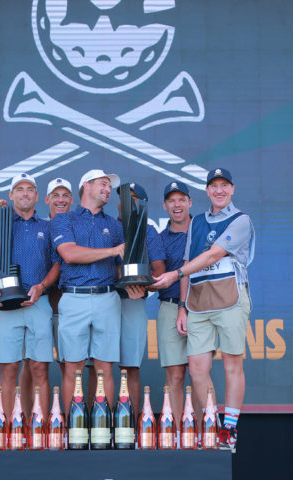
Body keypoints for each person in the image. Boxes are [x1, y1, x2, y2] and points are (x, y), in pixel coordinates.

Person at [152, 168, 255, 450]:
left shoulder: (241, 219)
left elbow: (212, 255)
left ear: (232, 189)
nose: (219, 191)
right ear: (207, 191)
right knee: (197, 369)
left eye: (224, 185)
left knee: (233, 363)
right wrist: (183, 307)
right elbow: (189, 269)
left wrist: (174, 274)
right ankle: (213, 425)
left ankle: (230, 429)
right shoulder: (196, 222)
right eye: (213, 186)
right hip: (197, 303)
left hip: (230, 299)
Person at [0, 177, 74, 417]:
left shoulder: (48, 227)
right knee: (8, 369)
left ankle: (40, 429)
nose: (25, 194)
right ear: (11, 194)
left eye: (30, 190)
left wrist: (41, 286)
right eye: (19, 190)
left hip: (41, 302)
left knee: (39, 367)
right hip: (7, 307)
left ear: (38, 197)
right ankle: (8, 432)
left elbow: (57, 264)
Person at [51, 169, 124, 410]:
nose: (107, 189)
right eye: (103, 184)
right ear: (86, 186)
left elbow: (124, 268)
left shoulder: (114, 225)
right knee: (73, 367)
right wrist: (112, 251)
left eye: (109, 187)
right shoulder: (64, 219)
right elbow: (69, 254)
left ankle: (104, 432)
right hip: (74, 297)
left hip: (108, 297)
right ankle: (75, 431)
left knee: (105, 368)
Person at [115, 182, 165, 415]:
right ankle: (100, 428)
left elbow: (159, 269)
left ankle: (132, 429)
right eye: (124, 198)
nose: (127, 203)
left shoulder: (149, 230)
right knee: (98, 367)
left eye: (133, 199)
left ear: (142, 204)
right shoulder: (105, 225)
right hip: (102, 299)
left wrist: (144, 288)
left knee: (130, 368)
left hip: (132, 302)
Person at [156, 181, 193, 427]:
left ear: (190, 203)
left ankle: (204, 432)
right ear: (165, 206)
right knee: (175, 375)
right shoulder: (159, 239)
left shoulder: (204, 229)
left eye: (181, 200)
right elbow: (156, 277)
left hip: (203, 307)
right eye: (172, 201)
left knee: (200, 374)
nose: (177, 205)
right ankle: (179, 436)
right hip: (170, 307)